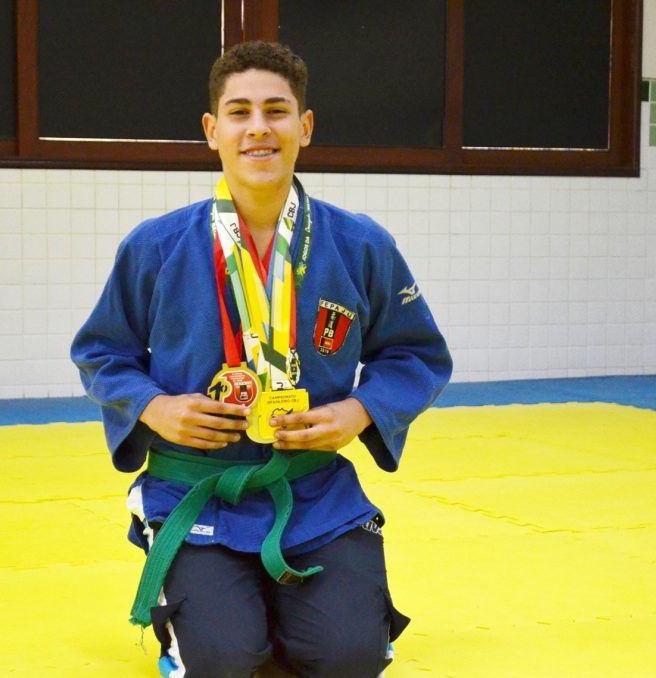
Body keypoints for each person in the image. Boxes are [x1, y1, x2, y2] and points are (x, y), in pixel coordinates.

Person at [71, 41, 451, 678]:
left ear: (305, 126)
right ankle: (212, 620)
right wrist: (155, 407)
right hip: (196, 490)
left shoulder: (360, 245)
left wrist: (359, 411)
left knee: (349, 659)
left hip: (313, 490)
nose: (258, 128)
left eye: (276, 111)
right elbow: (100, 351)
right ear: (211, 130)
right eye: (239, 112)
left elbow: (415, 353)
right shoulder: (156, 246)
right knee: (222, 661)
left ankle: (277, 612)